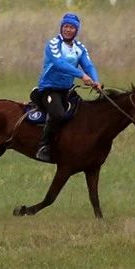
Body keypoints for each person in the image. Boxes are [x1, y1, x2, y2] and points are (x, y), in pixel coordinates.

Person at [32, 12, 100, 163]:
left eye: (71, 27)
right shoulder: (53, 44)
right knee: (57, 115)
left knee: (83, 115)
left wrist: (96, 81)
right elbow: (59, 64)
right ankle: (44, 147)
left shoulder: (80, 47)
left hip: (67, 90)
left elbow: (88, 65)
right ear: (61, 27)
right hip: (50, 89)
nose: (68, 30)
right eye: (66, 26)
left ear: (76, 30)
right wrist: (81, 75)